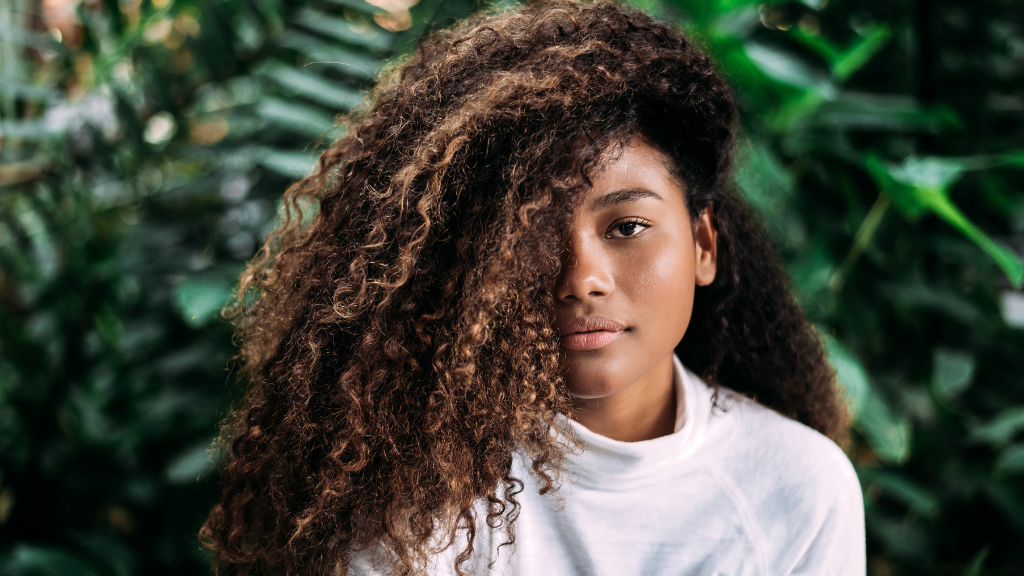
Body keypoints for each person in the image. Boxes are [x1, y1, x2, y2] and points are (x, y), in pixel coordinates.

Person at [200, 0, 865, 574]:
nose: (581, 279)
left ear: (703, 244)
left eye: (628, 226)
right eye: (530, 238)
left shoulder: (796, 487)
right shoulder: (420, 481)